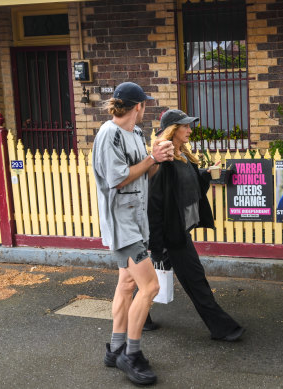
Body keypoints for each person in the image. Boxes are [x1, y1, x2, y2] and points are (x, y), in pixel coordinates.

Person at [93, 82, 174, 385]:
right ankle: (132, 354)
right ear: (138, 106)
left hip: (137, 222)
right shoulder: (108, 134)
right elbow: (117, 179)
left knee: (127, 284)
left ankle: (115, 350)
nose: (146, 110)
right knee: (150, 287)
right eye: (145, 105)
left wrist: (160, 156)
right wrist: (151, 159)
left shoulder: (137, 133)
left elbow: (145, 171)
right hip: (121, 224)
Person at [147, 109, 245, 342]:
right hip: (173, 235)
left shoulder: (183, 157)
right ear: (173, 130)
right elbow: (155, 204)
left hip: (180, 229)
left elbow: (190, 181)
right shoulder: (166, 162)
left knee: (148, 281)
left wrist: (207, 174)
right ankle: (223, 328)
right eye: (186, 126)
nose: (190, 130)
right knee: (196, 280)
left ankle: (139, 317)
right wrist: (157, 245)